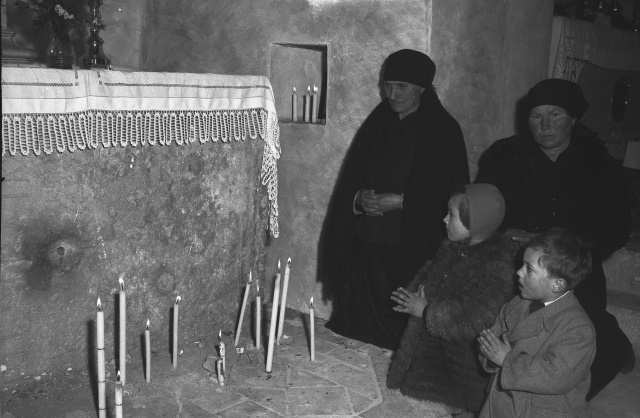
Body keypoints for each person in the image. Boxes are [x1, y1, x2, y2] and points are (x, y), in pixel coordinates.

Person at [475, 78, 634, 399]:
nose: (545, 125)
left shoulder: (599, 163)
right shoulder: (504, 155)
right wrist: (504, 233)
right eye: (536, 116)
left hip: (574, 267)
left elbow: (616, 229)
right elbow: (483, 207)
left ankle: (615, 345)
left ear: (574, 118)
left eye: (555, 114)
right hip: (514, 262)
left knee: (579, 348)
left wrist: (556, 242)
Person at [323, 49, 470, 350]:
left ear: (422, 89)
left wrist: (401, 201)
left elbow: (450, 194)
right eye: (388, 86)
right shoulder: (378, 123)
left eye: (401, 87)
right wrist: (359, 197)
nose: (392, 94)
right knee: (354, 329)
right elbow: (353, 177)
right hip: (367, 241)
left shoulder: (443, 130)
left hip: (407, 246)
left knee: (394, 337)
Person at [387, 184, 517, 415]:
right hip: (427, 355)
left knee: (451, 409)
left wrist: (425, 312)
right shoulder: (453, 248)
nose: (444, 219)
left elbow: (472, 317)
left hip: (456, 370)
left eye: (451, 214)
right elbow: (429, 274)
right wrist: (411, 295)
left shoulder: (495, 267)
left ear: (474, 221)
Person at [477, 228, 596, 418]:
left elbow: (555, 376)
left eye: (529, 268)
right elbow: (490, 340)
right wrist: (490, 355)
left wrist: (506, 360)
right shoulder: (516, 304)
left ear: (557, 285)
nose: (518, 272)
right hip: (499, 404)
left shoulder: (578, 329)